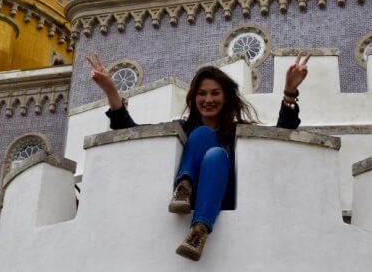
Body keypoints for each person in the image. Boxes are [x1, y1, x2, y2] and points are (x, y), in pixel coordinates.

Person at [87, 53, 310, 260]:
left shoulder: (238, 134)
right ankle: (184, 189)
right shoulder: (181, 130)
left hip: (222, 195)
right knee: (201, 134)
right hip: (185, 201)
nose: (208, 99)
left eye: (215, 93)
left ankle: (199, 229)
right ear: (193, 98)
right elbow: (129, 129)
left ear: (226, 97)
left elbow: (282, 135)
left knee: (214, 154)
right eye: (202, 93)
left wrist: (290, 92)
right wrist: (111, 91)